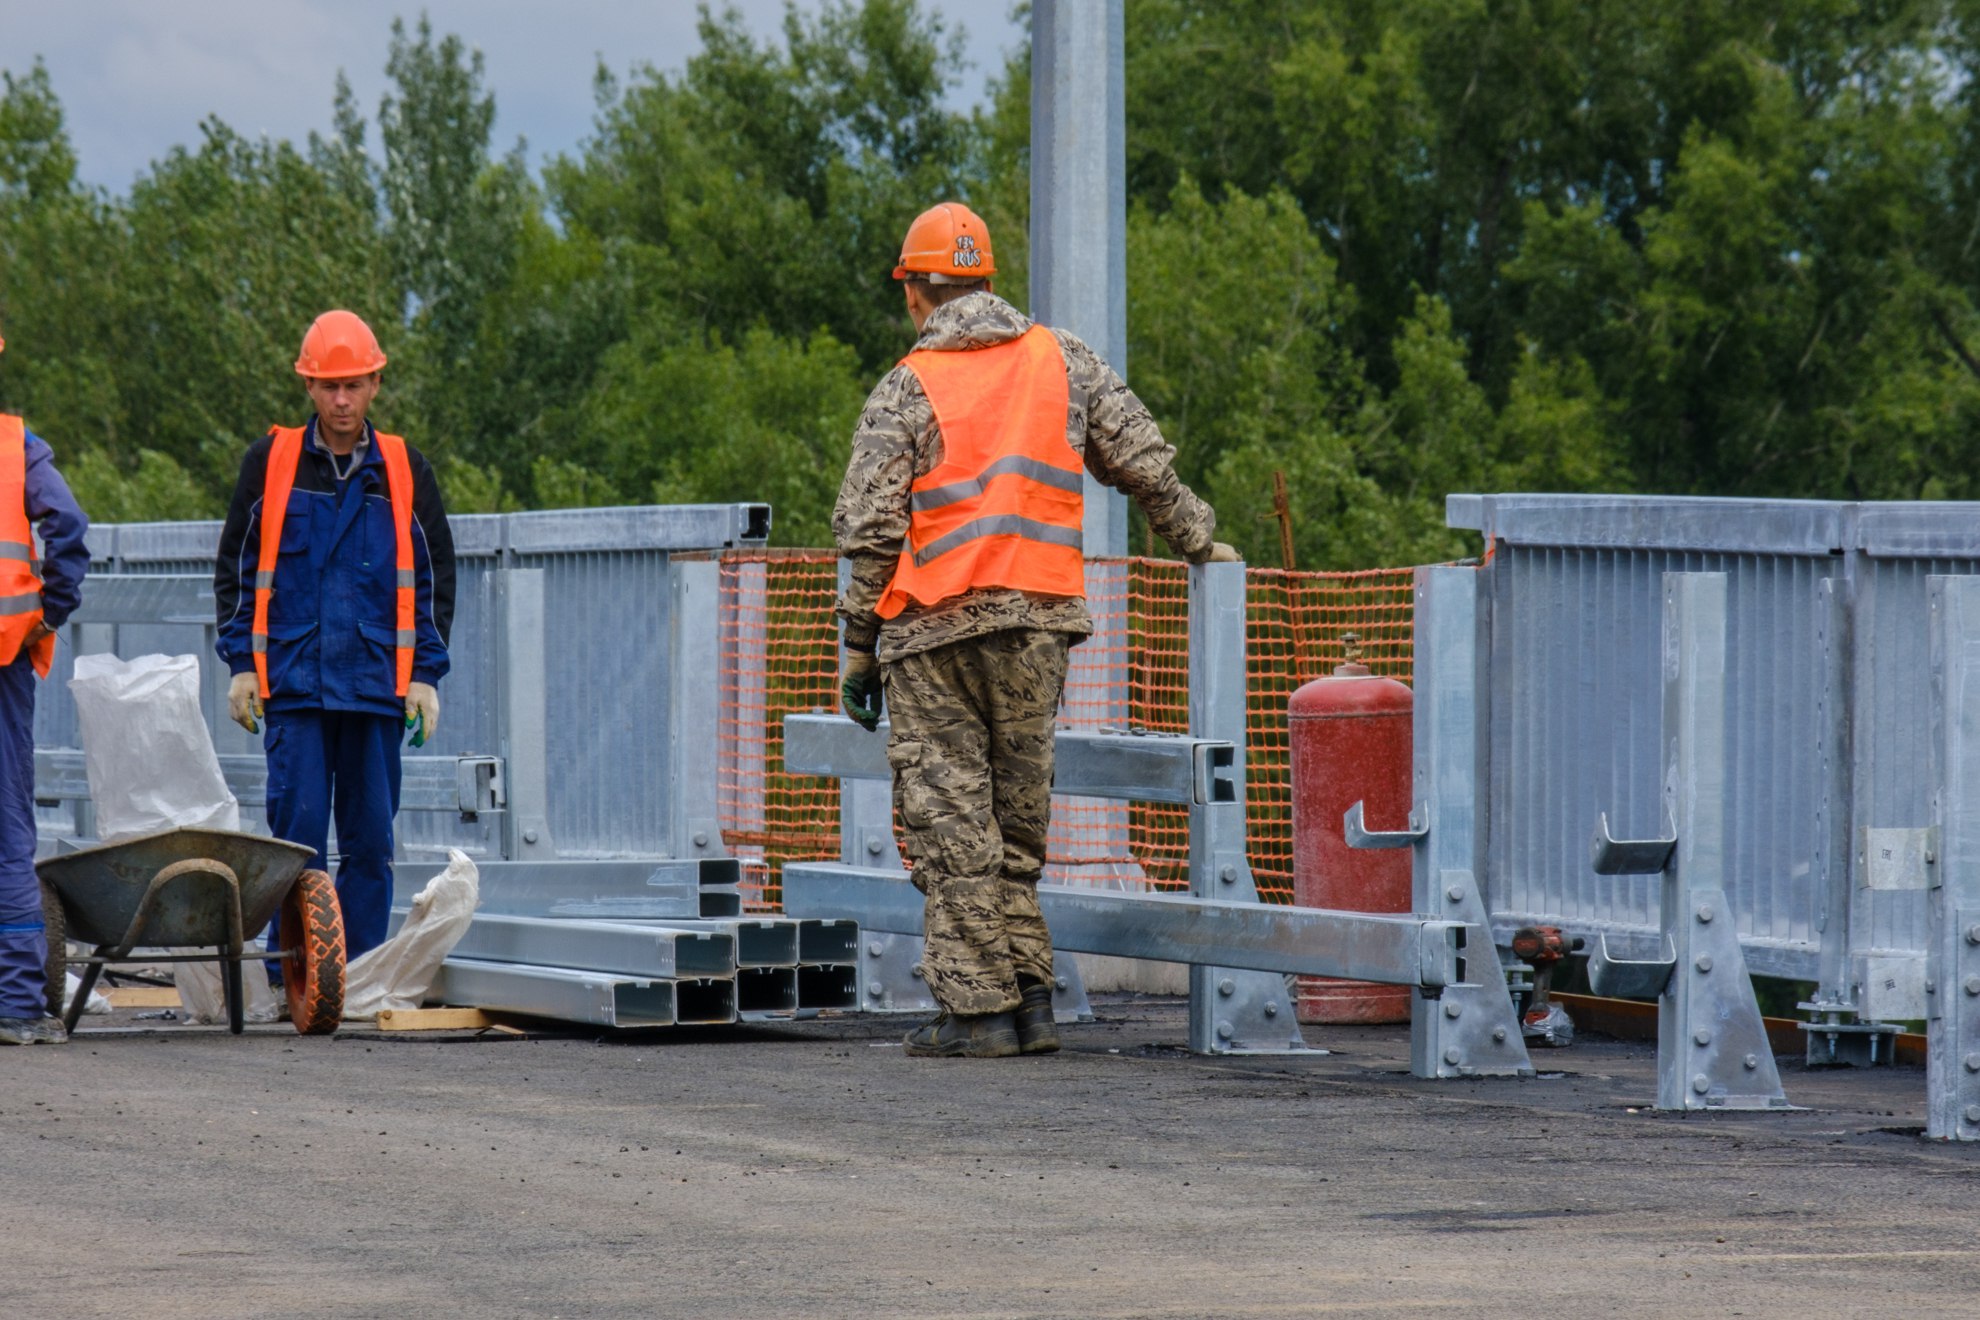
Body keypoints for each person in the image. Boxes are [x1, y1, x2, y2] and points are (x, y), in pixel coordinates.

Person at [833, 202, 1238, 1058]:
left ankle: (978, 1014)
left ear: (916, 292)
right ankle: (1029, 1002)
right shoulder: (1063, 360)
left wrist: (858, 652)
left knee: (952, 826)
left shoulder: (907, 385)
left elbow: (869, 534)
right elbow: (1144, 459)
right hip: (1036, 629)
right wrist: (1199, 537)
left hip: (931, 636)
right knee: (1016, 823)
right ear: (986, 279)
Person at [214, 310, 453, 966]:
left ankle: (360, 971)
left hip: (377, 683)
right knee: (297, 840)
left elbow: (435, 577)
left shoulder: (404, 469)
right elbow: (235, 566)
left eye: (353, 384)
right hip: (294, 682)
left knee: (371, 842)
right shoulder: (271, 463)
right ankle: (294, 973)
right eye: (328, 386)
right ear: (308, 388)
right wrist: (241, 663)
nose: (341, 400)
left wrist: (427, 674)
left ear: (376, 383)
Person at [0, 329, 92, 1046]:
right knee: (7, 830)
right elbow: (67, 523)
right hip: (3, 656)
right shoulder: (14, 446)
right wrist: (42, 615)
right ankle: (18, 1003)